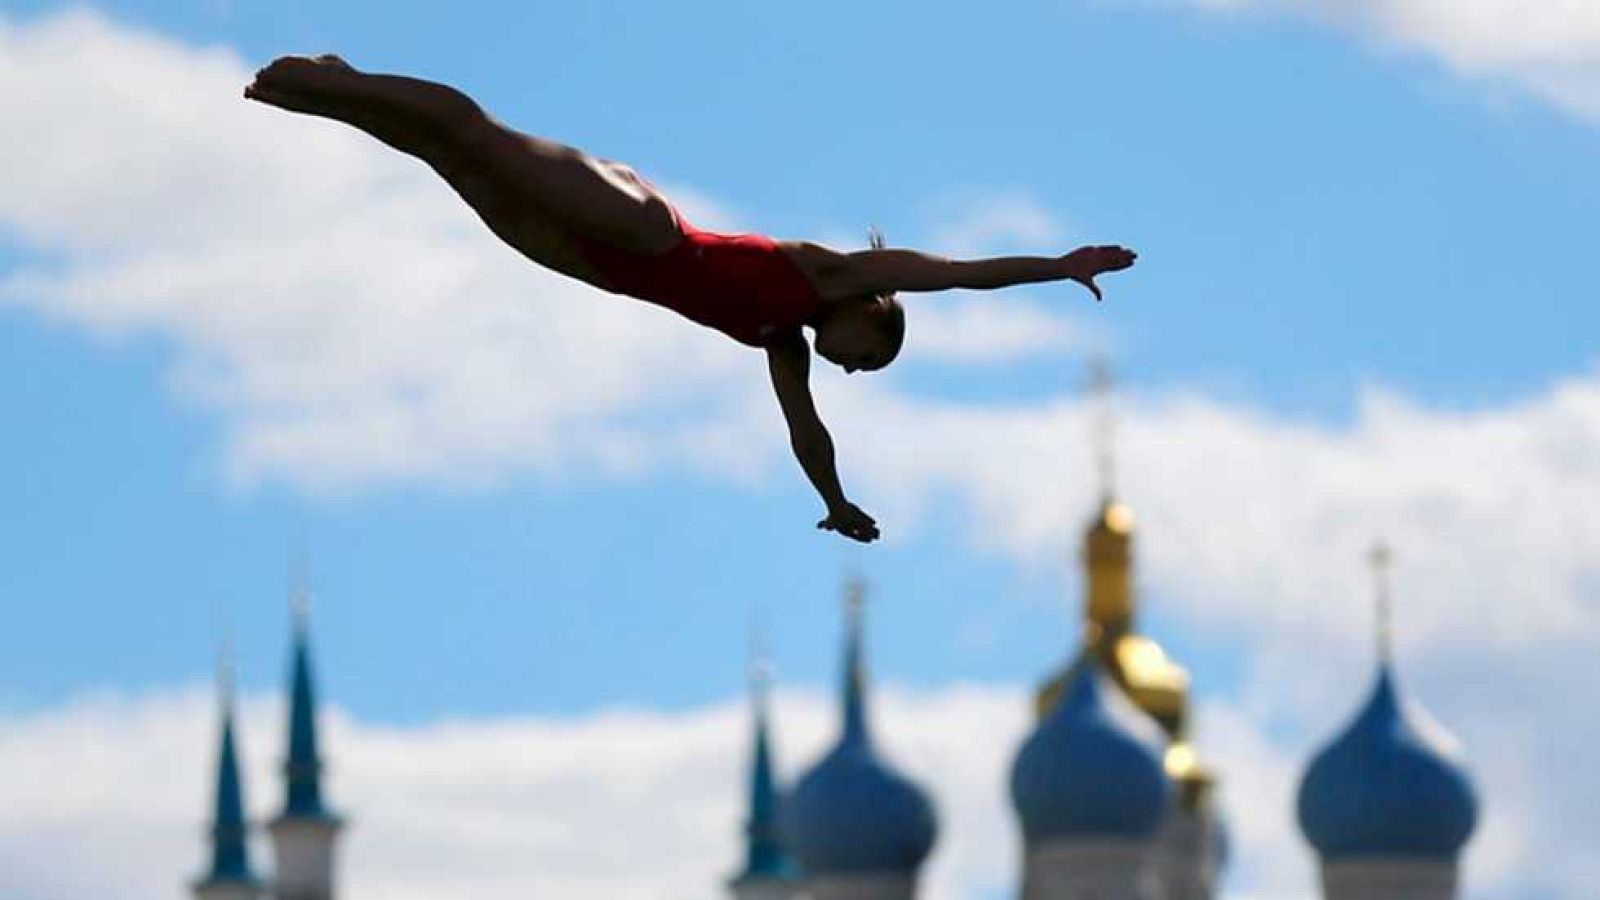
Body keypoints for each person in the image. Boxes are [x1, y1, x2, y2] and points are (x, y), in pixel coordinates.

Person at [245, 56, 1138, 543]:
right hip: (642, 229)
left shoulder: (780, 340)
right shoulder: (833, 277)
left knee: (450, 163)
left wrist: (835, 498)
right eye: (866, 356)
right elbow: (957, 274)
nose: (850, 368)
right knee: (476, 135)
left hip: (598, 266)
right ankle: (341, 83)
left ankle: (339, 99)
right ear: (872, 311)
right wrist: (1058, 265)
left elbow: (806, 431)